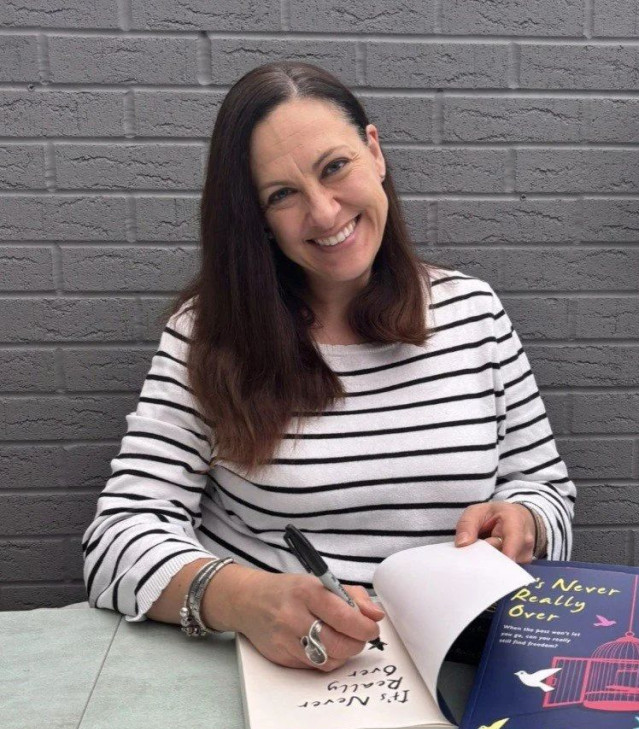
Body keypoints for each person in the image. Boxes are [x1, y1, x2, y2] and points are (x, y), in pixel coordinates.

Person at [82, 62, 576, 673]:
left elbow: (547, 491)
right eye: (281, 195)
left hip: (463, 662)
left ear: (375, 151)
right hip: (277, 676)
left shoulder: (475, 312)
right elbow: (118, 536)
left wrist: (526, 520)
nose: (322, 212)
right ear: (258, 219)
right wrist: (243, 600)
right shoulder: (207, 333)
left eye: (335, 167)